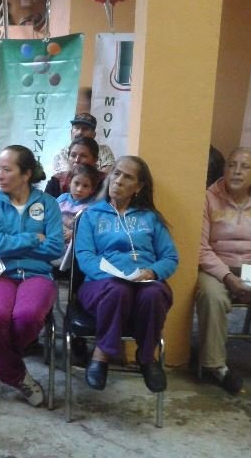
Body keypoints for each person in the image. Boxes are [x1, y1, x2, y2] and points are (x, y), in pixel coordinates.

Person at [75, 156, 178, 393]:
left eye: (128, 177)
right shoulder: (91, 215)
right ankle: (101, 355)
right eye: (116, 173)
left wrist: (152, 271)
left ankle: (147, 357)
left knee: (153, 294)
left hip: (144, 282)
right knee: (118, 290)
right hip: (101, 283)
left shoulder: (150, 218)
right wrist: (112, 275)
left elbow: (170, 258)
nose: (119, 180)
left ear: (139, 186)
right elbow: (85, 256)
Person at [0, 145, 64, 407]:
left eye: (7, 169)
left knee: (28, 316)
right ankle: (16, 374)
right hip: (0, 272)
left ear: (26, 174)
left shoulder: (48, 204)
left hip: (38, 274)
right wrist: (33, 238)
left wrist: (11, 243)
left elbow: (55, 247)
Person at [196, 147, 251, 393]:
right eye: (231, 165)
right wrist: (228, 277)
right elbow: (201, 248)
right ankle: (216, 367)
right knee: (211, 296)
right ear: (223, 170)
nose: (236, 171)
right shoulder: (208, 197)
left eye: (244, 167)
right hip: (216, 266)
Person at [55, 163, 100, 263]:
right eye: (76, 183)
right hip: (57, 237)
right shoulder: (61, 199)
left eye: (85, 186)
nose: (79, 189)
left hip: (76, 245)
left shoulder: (92, 207)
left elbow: (93, 230)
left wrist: (74, 234)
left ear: (92, 189)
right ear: (70, 182)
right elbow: (50, 218)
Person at [51, 113, 115, 175]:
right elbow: (65, 179)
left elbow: (107, 176)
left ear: (94, 134)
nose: (80, 132)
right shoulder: (61, 154)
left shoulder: (104, 150)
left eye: (85, 129)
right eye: (77, 128)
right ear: (71, 132)